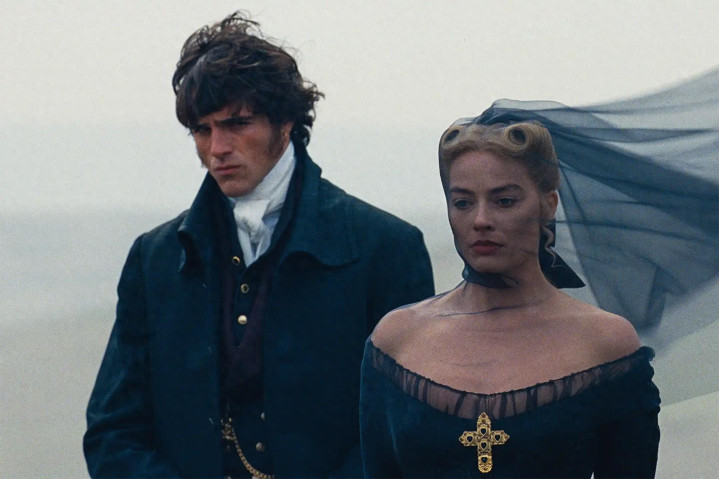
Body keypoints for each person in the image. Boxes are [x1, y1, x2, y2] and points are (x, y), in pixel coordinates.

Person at [84, 11, 434, 478]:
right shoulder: (155, 259)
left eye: (237, 124)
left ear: (285, 121)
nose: (217, 148)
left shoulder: (385, 249)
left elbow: (407, 428)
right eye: (202, 129)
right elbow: (112, 431)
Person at [360, 118, 661, 477]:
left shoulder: (604, 343)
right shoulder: (397, 339)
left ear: (548, 204)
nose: (481, 220)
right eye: (462, 202)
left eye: (504, 201)